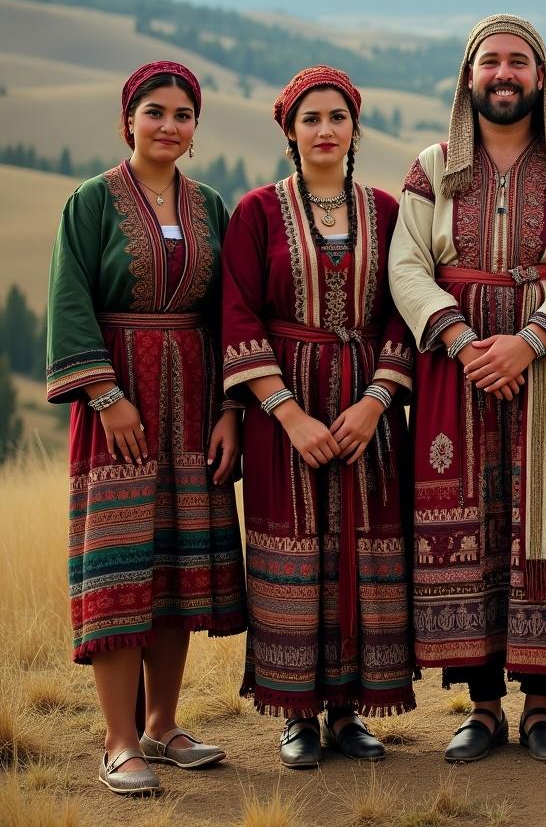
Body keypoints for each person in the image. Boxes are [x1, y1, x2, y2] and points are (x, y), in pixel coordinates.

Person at [389, 14, 546, 763]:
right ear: (469, 75)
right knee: (469, 525)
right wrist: (459, 337)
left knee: (545, 532)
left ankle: (543, 706)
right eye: (491, 62)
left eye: (519, 62)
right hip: (459, 369)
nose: (504, 74)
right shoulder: (431, 167)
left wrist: (528, 342)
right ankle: (481, 707)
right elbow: (407, 266)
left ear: (540, 77)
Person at [46, 60, 246, 797]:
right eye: (154, 111)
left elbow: (229, 311)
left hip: (195, 404)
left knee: (177, 569)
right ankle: (118, 741)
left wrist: (231, 408)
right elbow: (70, 299)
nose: (169, 124)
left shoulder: (210, 206)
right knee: (120, 568)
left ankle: (163, 726)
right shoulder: (91, 202)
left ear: (195, 131)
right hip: (119, 409)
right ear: (128, 119)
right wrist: (104, 393)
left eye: (183, 114)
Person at [221, 66, 415, 769]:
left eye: (337, 116)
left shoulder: (388, 212)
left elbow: (404, 308)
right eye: (311, 119)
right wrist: (287, 414)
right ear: (289, 133)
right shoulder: (256, 214)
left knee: (365, 553)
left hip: (371, 410)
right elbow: (238, 311)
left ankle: (350, 711)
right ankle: (296, 714)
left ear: (355, 128)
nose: (325, 130)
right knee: (292, 553)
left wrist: (376, 399)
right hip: (284, 413)